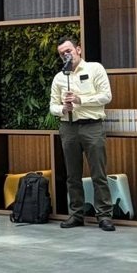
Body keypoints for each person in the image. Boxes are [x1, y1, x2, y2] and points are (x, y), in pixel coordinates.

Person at [48, 35, 115, 232]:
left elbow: (106, 96)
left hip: (92, 126)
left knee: (98, 173)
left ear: (78, 49)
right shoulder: (60, 77)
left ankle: (104, 215)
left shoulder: (95, 69)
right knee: (72, 175)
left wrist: (80, 100)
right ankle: (76, 214)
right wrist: (62, 109)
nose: (65, 55)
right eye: (62, 53)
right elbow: (52, 105)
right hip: (68, 127)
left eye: (68, 51)